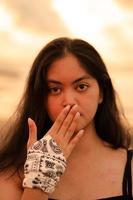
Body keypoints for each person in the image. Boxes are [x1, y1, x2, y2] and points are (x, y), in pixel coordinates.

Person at [0, 37, 132, 200]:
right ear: (41, 98)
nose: (69, 100)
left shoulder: (130, 168)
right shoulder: (12, 173)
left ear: (102, 93)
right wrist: (40, 178)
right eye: (55, 89)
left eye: (81, 86)